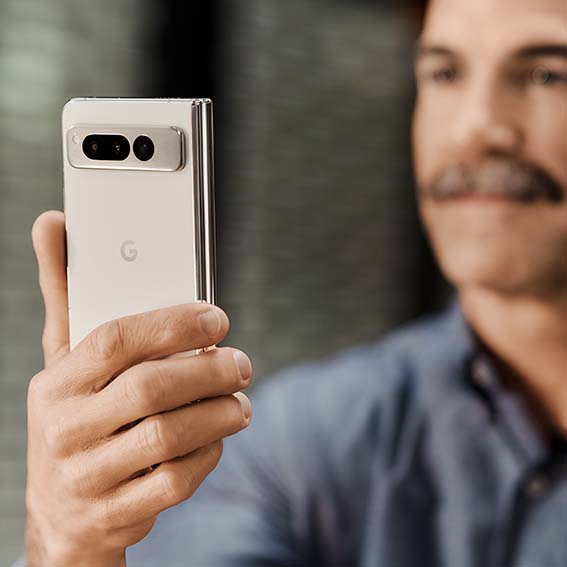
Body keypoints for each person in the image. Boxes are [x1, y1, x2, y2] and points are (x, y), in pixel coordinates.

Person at [18, 0, 566, 565]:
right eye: (445, 72)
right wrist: (73, 545)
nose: (476, 128)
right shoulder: (295, 449)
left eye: (547, 74)